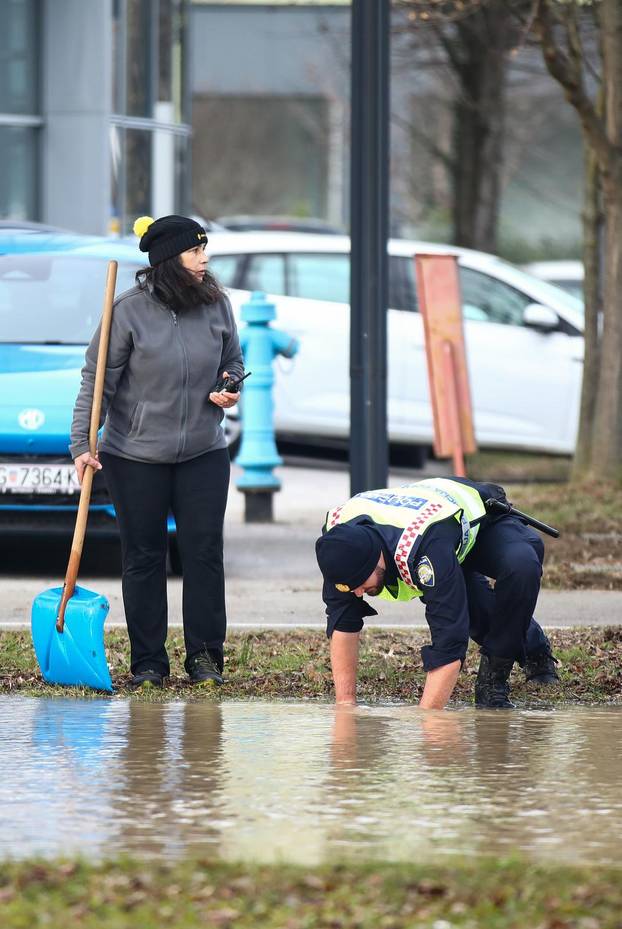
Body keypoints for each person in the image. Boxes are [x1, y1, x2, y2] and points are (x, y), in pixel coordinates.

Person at [70, 214, 245, 689]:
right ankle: (149, 661)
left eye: (204, 249)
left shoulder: (217, 304)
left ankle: (205, 656)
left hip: (204, 452)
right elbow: (97, 379)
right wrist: (82, 445)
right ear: (169, 259)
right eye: (195, 251)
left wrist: (229, 386)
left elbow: (233, 359)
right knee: (144, 556)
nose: (204, 258)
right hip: (135, 456)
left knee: (203, 551)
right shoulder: (128, 310)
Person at [315, 476, 559, 709]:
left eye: (359, 584)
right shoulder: (339, 544)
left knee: (522, 565)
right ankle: (533, 645)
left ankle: (495, 677)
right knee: (478, 612)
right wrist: (345, 706)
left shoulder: (420, 549)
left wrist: (427, 723)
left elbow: (449, 641)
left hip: (478, 521)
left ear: (372, 559)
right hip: (438, 535)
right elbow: (342, 621)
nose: (357, 593)